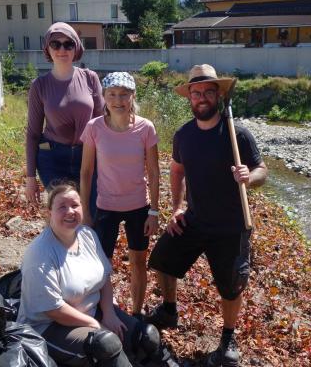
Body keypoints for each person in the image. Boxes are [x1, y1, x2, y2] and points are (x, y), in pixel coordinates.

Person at [146, 65, 268, 367]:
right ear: (189, 97)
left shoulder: (236, 134)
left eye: (207, 92)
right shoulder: (184, 135)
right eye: (196, 92)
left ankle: (228, 339)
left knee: (231, 286)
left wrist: (248, 177)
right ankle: (168, 309)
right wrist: (178, 207)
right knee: (162, 258)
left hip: (231, 226)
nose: (201, 98)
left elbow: (262, 171)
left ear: (218, 95)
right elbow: (177, 170)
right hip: (195, 219)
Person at [17, 182, 178, 367]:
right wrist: (93, 323)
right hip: (48, 326)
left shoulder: (87, 235)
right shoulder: (40, 254)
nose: (70, 211)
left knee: (146, 336)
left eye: (75, 205)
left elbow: (104, 278)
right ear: (49, 213)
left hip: (93, 311)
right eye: (62, 206)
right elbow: (54, 310)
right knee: (106, 345)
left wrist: (109, 313)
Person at [80, 72, 159, 319]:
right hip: (106, 206)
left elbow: (155, 173)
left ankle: (136, 313)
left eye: (124, 94)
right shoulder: (94, 127)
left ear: (132, 96)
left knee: (138, 261)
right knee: (102, 265)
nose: (118, 100)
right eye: (112, 94)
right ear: (103, 97)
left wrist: (154, 211)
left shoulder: (146, 128)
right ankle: (104, 310)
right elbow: (86, 172)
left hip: (138, 206)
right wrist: (85, 211)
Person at [25, 22, 103, 216]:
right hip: (53, 158)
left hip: (88, 156)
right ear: (47, 48)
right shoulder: (40, 86)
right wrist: (30, 178)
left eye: (68, 44)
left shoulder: (90, 78)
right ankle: (59, 247)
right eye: (56, 44)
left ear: (76, 48)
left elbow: (102, 125)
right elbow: (33, 134)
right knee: (64, 215)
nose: (62, 49)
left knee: (89, 214)